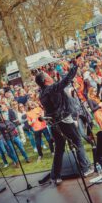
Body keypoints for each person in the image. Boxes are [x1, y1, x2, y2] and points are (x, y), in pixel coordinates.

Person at [35, 57, 94, 185]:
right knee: (78, 141)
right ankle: (86, 168)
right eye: (48, 76)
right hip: (63, 120)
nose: (50, 76)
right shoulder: (51, 88)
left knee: (60, 148)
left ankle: (55, 176)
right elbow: (67, 80)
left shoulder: (42, 93)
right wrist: (75, 66)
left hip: (53, 123)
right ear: (45, 80)